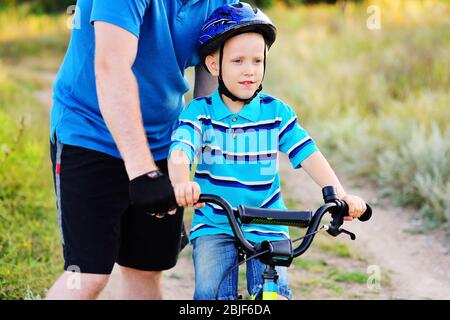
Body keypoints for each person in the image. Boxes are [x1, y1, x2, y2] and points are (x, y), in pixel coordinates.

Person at [168, 2, 367, 300]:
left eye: (257, 61)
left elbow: (308, 153)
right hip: (216, 222)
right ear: (213, 65)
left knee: (275, 294)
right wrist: (181, 182)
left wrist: (339, 194)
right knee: (211, 293)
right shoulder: (201, 113)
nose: (249, 70)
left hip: (268, 223)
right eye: (237, 61)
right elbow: (181, 148)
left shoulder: (276, 113)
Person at [46, 0, 237, 300]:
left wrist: (217, 170)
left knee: (145, 269)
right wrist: (144, 174)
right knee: (87, 274)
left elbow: (209, 88)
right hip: (89, 133)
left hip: (163, 140)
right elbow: (112, 67)